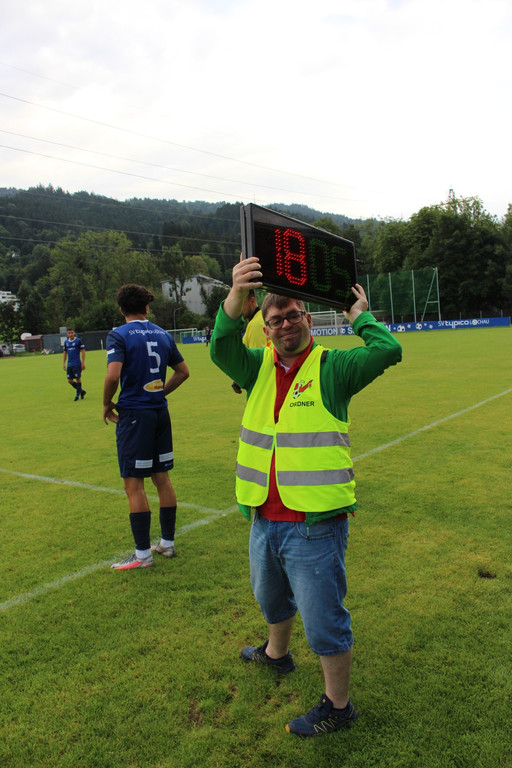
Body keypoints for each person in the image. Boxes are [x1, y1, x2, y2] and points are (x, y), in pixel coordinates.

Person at [210, 256, 402, 737]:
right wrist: (236, 299)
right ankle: (276, 655)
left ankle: (338, 706)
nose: (284, 324)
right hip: (262, 516)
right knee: (269, 597)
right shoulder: (254, 369)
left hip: (314, 524)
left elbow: (387, 351)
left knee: (323, 620)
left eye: (293, 315)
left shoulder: (334, 367)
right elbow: (219, 346)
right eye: (275, 320)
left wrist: (361, 316)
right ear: (267, 330)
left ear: (309, 320)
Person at [103, 284, 190, 571]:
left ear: (121, 309)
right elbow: (183, 372)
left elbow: (113, 374)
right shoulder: (163, 333)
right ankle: (167, 543)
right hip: (159, 414)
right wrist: (160, 393)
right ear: (147, 307)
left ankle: (142, 556)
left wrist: (106, 403)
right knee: (161, 478)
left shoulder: (119, 334)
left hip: (135, 416)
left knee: (133, 483)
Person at [231, 289, 268, 394]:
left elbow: (257, 366)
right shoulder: (260, 318)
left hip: (262, 391)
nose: (238, 308)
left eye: (241, 303)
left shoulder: (255, 325)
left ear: (252, 301)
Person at [62, 328, 86, 401]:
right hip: (69, 364)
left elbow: (83, 352)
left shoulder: (78, 341)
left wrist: (83, 362)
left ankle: (77, 395)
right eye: (69, 333)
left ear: (74, 333)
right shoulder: (66, 342)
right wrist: (63, 363)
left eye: (72, 332)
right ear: (67, 334)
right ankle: (81, 391)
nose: (70, 334)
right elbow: (65, 353)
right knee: (70, 380)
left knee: (78, 379)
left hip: (77, 364)